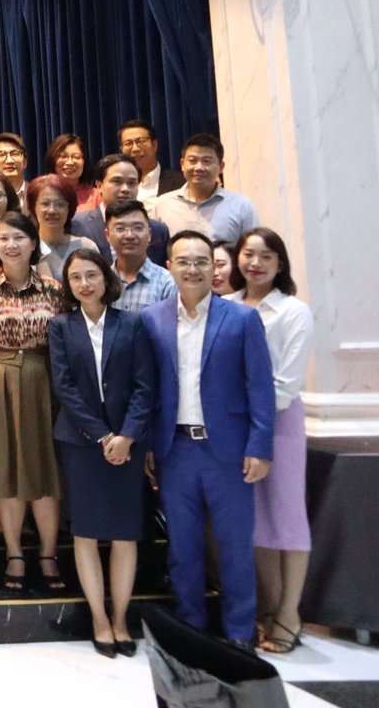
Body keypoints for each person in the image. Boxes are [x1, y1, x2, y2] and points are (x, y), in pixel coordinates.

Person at [143, 229, 275, 649]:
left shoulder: (241, 318)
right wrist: (148, 444)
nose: (194, 268)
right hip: (175, 449)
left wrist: (259, 445)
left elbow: (260, 388)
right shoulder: (152, 318)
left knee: (236, 548)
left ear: (217, 267)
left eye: (203, 260)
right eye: (184, 261)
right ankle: (191, 629)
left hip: (229, 451)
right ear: (170, 267)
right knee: (183, 549)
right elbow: (147, 389)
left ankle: (239, 634)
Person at [47, 248, 157, 658]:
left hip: (128, 444)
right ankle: (98, 618)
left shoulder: (132, 324)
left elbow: (145, 386)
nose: (84, 284)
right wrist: (102, 436)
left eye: (91, 275)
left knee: (126, 533)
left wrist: (126, 436)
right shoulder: (60, 326)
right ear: (69, 285)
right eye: (75, 278)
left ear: (105, 278)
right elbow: (65, 388)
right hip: (82, 443)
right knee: (87, 533)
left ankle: (121, 618)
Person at [0, 210, 66, 592]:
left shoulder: (55, 289)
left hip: (43, 383)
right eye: (3, 238)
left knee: (45, 473)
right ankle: (15, 553)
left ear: (34, 242)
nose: (11, 244)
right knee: (4, 473)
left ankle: (48, 554)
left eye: (19, 237)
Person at [228, 228, 315, 656]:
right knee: (256, 521)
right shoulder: (224, 306)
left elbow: (287, 381)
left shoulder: (294, 312)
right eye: (248, 254)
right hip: (232, 426)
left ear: (280, 264)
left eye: (266, 256)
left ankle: (290, 613)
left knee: (287, 518)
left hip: (278, 423)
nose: (255, 263)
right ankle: (267, 605)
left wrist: (250, 414)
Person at [152, 134, 258, 244]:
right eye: (192, 160)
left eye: (206, 161)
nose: (199, 168)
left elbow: (251, 251)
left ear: (221, 167)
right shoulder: (162, 204)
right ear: (182, 164)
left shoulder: (242, 207)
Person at [74, 156, 170, 265]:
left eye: (131, 183)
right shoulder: (77, 224)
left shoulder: (159, 231)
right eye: (117, 182)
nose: (125, 189)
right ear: (99, 185)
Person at [100, 198, 177, 312]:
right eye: (120, 228)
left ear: (149, 234)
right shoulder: (101, 281)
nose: (130, 235)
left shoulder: (168, 283)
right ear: (107, 235)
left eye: (138, 228)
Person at [28, 174, 91, 281]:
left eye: (60, 204)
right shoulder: (26, 248)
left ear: (69, 209)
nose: (52, 210)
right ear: (34, 207)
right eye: (45, 204)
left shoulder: (86, 246)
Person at [119, 119, 182, 201]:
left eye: (141, 141)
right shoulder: (117, 185)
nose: (135, 149)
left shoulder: (180, 182)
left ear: (155, 145)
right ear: (121, 149)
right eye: (128, 143)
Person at [44, 134, 97, 213]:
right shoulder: (41, 193)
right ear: (52, 160)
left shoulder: (96, 196)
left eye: (76, 157)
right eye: (63, 156)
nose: (70, 162)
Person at [0, 132, 30, 204]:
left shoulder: (37, 194)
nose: (9, 161)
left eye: (15, 154)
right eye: (1, 155)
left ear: (25, 162)